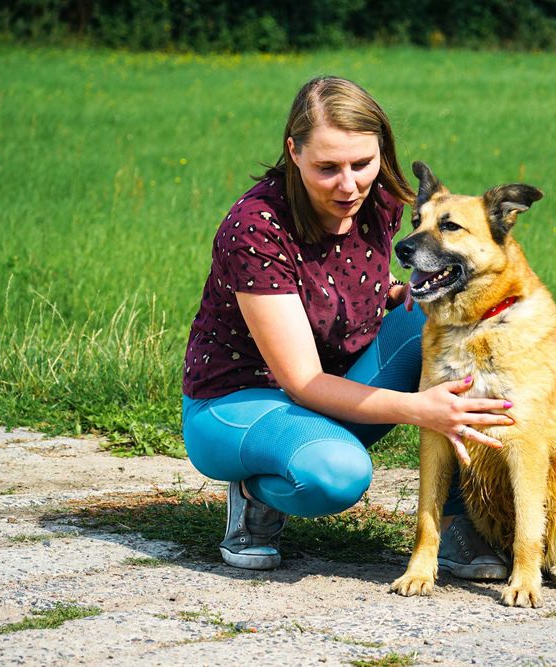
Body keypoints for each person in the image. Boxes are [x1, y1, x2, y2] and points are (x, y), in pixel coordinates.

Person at [181, 76, 515, 578]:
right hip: (240, 400)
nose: (349, 184)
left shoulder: (380, 199)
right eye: (327, 168)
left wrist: (415, 297)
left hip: (336, 385)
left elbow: (344, 281)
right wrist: (421, 409)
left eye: (362, 163)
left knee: (451, 328)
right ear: (293, 152)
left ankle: (454, 520)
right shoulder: (255, 228)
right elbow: (302, 381)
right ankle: (256, 489)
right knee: (337, 475)